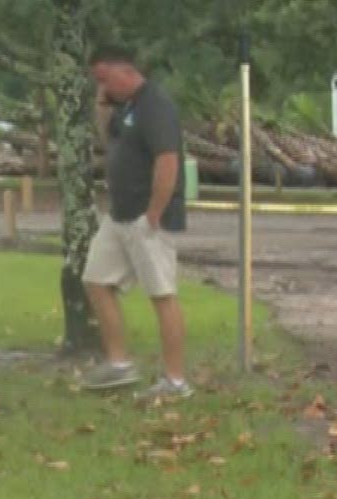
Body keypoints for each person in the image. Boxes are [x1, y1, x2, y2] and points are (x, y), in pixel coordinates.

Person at [78, 44, 192, 401]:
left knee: (161, 294)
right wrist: (101, 102)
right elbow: (107, 140)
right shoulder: (124, 106)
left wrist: (154, 212)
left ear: (125, 71)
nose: (103, 88)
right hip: (119, 215)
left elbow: (168, 161)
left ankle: (175, 381)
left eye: (104, 79)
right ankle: (119, 364)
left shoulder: (155, 105)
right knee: (96, 280)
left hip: (148, 218)